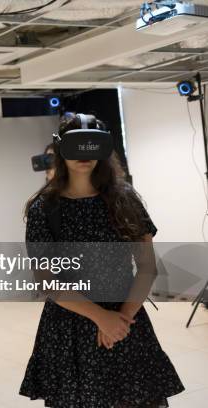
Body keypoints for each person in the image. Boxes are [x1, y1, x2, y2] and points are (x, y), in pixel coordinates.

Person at [19, 113, 184, 407]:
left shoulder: (125, 199)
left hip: (126, 317)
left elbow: (147, 267)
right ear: (61, 149)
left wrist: (120, 320)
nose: (85, 154)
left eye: (93, 144)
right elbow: (46, 280)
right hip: (70, 326)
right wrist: (100, 317)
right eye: (77, 144)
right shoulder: (44, 208)